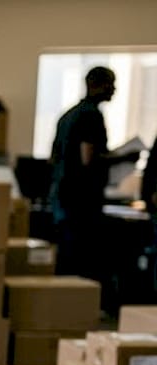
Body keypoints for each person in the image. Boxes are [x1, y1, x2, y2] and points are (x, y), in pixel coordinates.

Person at [47, 66, 136, 283]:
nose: (114, 89)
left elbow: (54, 158)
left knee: (67, 257)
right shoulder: (90, 116)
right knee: (82, 261)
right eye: (111, 84)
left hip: (62, 198)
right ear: (97, 84)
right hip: (81, 202)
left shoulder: (68, 116)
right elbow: (88, 159)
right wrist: (125, 157)